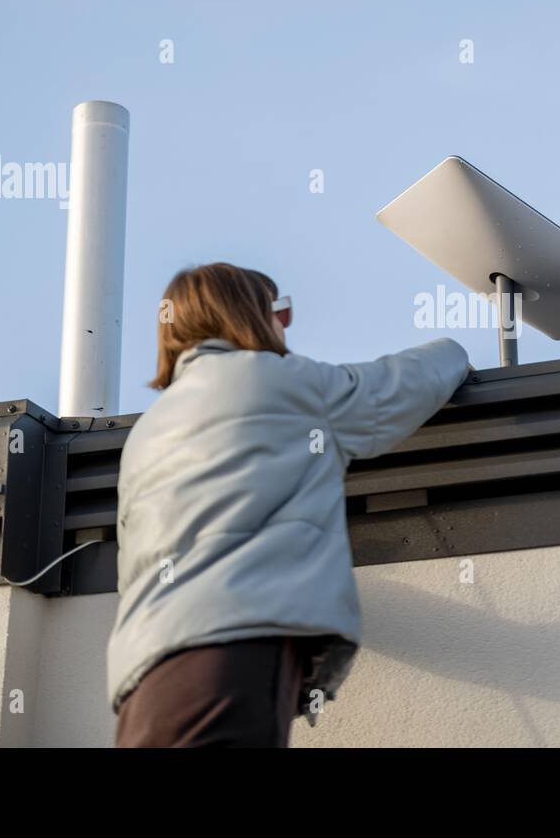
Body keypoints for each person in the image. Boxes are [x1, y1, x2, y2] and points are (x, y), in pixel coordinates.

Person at [107, 262, 470, 746]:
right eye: (278, 310)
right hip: (228, 658)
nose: (285, 324)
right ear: (246, 315)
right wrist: (455, 351)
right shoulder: (281, 383)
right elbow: (389, 391)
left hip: (146, 679)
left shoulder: (148, 430)